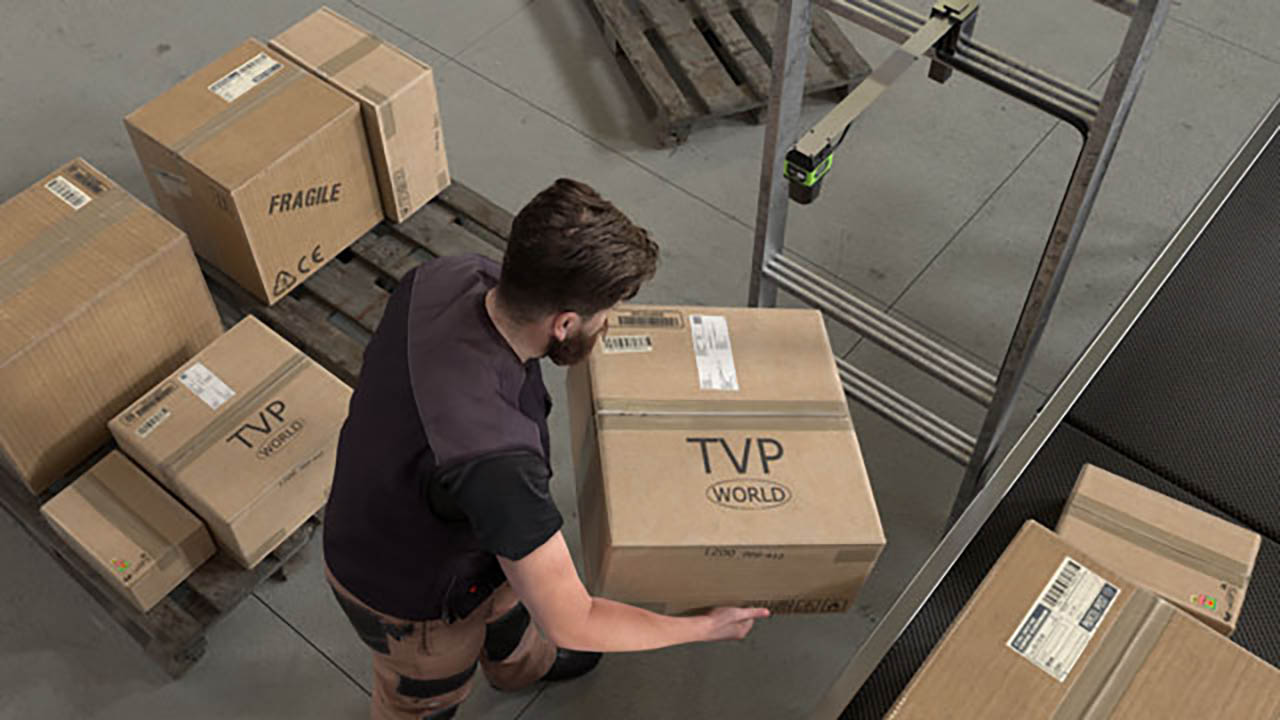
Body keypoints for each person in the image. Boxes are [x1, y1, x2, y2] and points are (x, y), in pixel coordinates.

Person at [322, 179, 771, 719]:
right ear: (563, 325)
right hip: (406, 595)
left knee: (511, 605)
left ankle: (518, 664)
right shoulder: (495, 462)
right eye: (605, 316)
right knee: (422, 698)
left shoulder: (449, 277)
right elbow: (573, 620)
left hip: (441, 521)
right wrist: (705, 625)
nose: (607, 327)